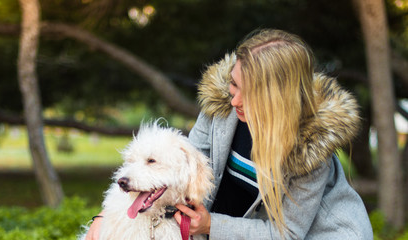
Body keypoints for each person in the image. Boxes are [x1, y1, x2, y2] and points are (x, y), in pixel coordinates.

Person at [85, 29, 373, 239]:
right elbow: (179, 173)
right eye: (235, 84)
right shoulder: (222, 107)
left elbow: (286, 233)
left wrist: (212, 226)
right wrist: (106, 219)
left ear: (279, 102)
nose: (234, 100)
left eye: (251, 95)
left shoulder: (309, 152)